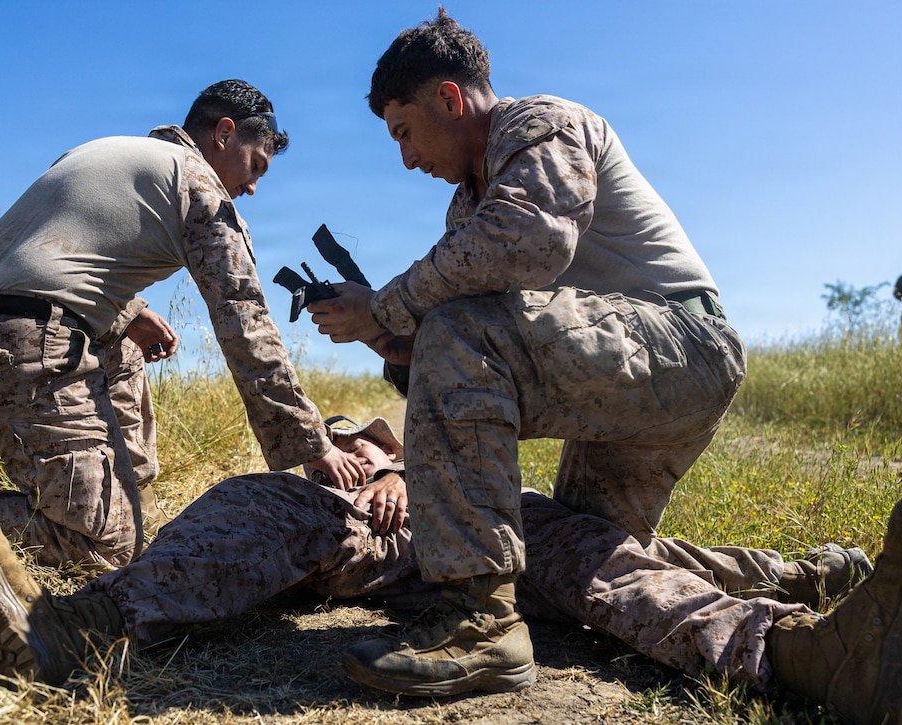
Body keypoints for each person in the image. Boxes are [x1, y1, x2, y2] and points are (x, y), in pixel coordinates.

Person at [303, 8, 900, 718]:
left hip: (683, 348)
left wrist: (395, 305)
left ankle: (478, 623)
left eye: (404, 132)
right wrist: (383, 331)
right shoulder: (468, 206)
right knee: (576, 559)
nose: (406, 158)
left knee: (458, 332)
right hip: (621, 378)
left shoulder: (540, 124)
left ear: (450, 99)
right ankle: (809, 623)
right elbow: (458, 350)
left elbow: (528, 245)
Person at [0, 414, 897, 723]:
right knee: (252, 502)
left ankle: (801, 631)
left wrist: (405, 466)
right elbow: (321, 467)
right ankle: (66, 625)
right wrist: (362, 463)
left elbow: (454, 438)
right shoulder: (345, 428)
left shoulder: (435, 387)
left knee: (597, 560)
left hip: (471, 526)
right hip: (363, 541)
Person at [0, 79, 364, 569]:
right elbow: (247, 328)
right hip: (18, 341)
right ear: (225, 134)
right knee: (103, 549)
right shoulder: (200, 186)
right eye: (255, 167)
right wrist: (312, 442)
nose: (251, 189)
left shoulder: (112, 152)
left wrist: (127, 310)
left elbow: (50, 250)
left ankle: (124, 497)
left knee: (125, 350)